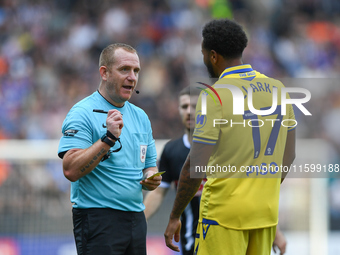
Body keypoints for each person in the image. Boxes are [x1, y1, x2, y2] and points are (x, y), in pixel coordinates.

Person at [164, 19, 296, 255]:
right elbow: (289, 154)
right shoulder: (278, 89)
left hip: (223, 216)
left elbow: (196, 164)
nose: (203, 59)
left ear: (213, 56)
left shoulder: (215, 95)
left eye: (203, 53)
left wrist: (175, 215)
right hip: (264, 213)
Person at [58, 43, 161, 255]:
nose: (132, 77)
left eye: (136, 71)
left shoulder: (141, 117)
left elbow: (149, 166)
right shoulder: (82, 113)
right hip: (98, 219)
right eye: (124, 69)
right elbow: (70, 170)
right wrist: (108, 138)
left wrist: (151, 177)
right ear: (104, 73)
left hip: (136, 218)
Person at [144, 86, 205, 255]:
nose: (189, 111)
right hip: (189, 242)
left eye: (195, 106)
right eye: (184, 107)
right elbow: (158, 193)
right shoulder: (172, 150)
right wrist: (138, 222)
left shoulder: (224, 148)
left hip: (224, 239)